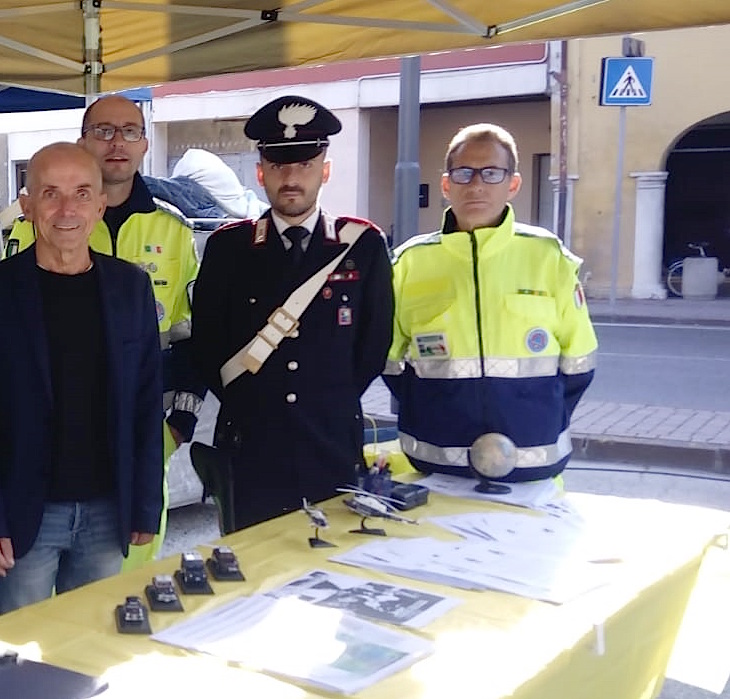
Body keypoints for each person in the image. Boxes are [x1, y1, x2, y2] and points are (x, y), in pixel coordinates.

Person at [0, 142, 164, 617]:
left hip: (108, 510)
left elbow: (145, 404)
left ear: (100, 205)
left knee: (89, 648)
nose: (66, 209)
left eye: (81, 193)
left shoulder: (130, 287)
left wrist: (144, 504)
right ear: (27, 206)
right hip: (27, 513)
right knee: (15, 660)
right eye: (50, 193)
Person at [5, 95, 202, 567]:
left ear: (145, 143)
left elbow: (190, 337)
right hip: (46, 437)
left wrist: (178, 424)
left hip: (138, 434)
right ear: (83, 140)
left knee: (122, 593)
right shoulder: (37, 222)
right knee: (37, 606)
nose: (117, 143)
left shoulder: (173, 230)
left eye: (130, 131)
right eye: (103, 131)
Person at [191, 95, 393, 533]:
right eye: (279, 165)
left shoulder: (361, 246)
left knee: (334, 577)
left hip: (332, 447)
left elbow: (372, 349)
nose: (291, 178)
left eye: (303, 165)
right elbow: (208, 347)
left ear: (325, 170)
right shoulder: (230, 249)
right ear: (261, 172)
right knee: (250, 587)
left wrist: (325, 400)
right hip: (251, 449)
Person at [384, 123, 597, 482]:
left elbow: (579, 362)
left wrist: (540, 416)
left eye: (491, 173)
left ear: (512, 184)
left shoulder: (548, 258)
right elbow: (388, 360)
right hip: (435, 456)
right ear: (446, 184)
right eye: (464, 173)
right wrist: (426, 408)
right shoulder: (409, 264)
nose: (477, 185)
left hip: (534, 457)